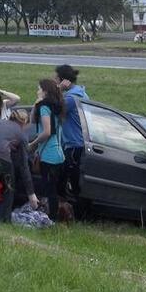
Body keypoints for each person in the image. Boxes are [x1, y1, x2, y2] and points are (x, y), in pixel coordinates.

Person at [0, 110, 39, 222]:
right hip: (1, 159)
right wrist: (31, 194)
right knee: (8, 189)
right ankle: (3, 220)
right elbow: (24, 167)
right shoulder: (21, 134)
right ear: (25, 122)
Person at [29, 78, 65, 222]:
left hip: (49, 155)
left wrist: (33, 143)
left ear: (44, 91)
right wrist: (36, 103)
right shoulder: (56, 106)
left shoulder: (45, 108)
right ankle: (56, 216)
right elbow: (32, 120)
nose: (37, 91)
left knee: (50, 191)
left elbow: (47, 131)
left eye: (39, 89)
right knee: (54, 189)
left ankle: (52, 219)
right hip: (58, 153)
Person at [54, 64, 89, 200]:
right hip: (78, 142)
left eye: (56, 79)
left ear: (64, 81)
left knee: (68, 178)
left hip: (73, 144)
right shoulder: (81, 93)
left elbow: (49, 109)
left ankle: (71, 207)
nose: (54, 81)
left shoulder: (70, 99)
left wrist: (58, 90)